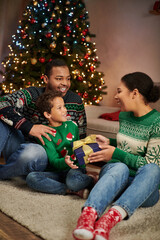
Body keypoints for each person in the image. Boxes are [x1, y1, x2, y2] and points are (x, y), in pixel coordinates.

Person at [73, 72, 160, 240]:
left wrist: (115, 152)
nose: (115, 96)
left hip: (143, 187)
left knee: (154, 169)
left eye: (119, 91)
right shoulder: (124, 115)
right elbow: (126, 146)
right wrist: (110, 143)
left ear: (134, 93)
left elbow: (151, 163)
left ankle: (109, 219)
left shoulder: (157, 123)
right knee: (120, 167)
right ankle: (87, 218)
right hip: (118, 176)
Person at [0, 58, 87, 180]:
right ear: (46, 79)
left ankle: (7, 172)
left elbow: (82, 139)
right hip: (20, 148)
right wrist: (29, 127)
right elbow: (2, 103)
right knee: (2, 121)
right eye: (59, 79)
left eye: (68, 78)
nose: (65, 83)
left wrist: (81, 170)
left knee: (34, 152)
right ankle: (16, 170)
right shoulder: (32, 94)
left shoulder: (76, 102)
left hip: (46, 158)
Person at [26, 90, 94, 198]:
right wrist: (65, 161)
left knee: (74, 181)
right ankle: (69, 190)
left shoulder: (72, 126)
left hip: (74, 169)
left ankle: (90, 180)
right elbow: (53, 161)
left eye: (64, 106)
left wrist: (81, 167)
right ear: (48, 114)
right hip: (57, 172)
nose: (65, 110)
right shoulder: (45, 133)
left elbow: (78, 148)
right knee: (31, 178)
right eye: (59, 108)